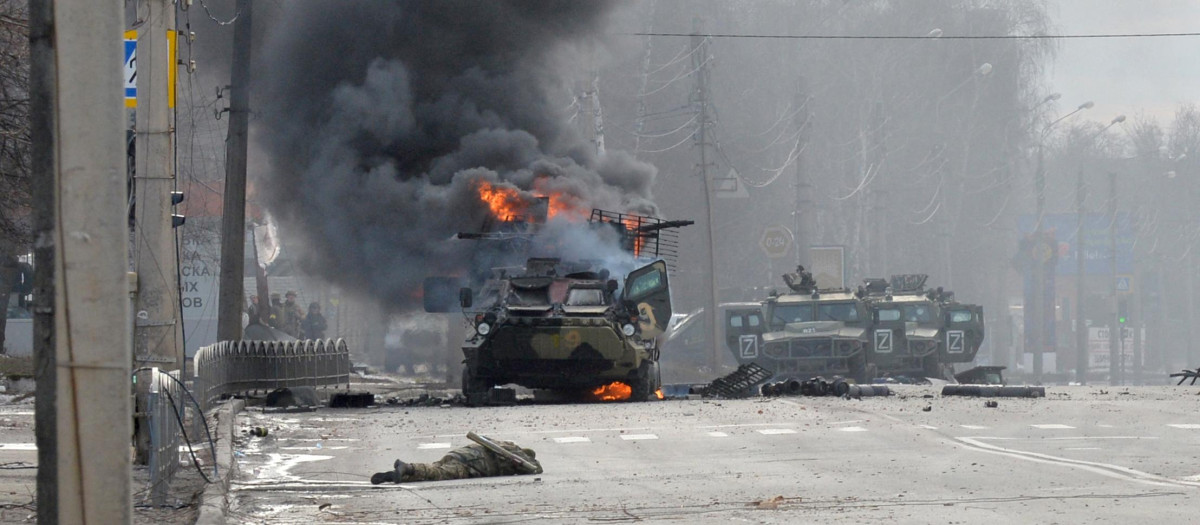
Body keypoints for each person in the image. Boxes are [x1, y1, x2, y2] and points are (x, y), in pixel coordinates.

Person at [370, 439, 541, 484]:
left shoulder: (504, 445)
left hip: (460, 455)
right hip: (472, 464)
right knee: (439, 473)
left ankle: (397, 474)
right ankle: (407, 467)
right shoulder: (517, 456)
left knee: (434, 470)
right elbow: (537, 469)